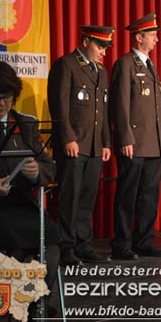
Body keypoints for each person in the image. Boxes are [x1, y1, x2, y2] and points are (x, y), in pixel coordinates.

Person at [0, 61, 60, 290]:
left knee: (51, 238)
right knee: (14, 238)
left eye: (8, 97)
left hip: (20, 205)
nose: (2, 104)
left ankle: (35, 300)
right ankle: (17, 298)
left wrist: (36, 173)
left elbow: (49, 168)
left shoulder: (26, 124)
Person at [47, 25, 114, 265]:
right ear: (85, 42)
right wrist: (67, 138)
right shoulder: (66, 65)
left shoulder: (102, 72)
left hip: (95, 145)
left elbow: (103, 110)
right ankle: (66, 247)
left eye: (105, 47)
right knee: (70, 198)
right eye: (100, 46)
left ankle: (84, 244)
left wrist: (106, 142)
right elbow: (60, 106)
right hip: (74, 144)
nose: (103, 52)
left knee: (87, 198)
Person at [109, 13, 161, 260]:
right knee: (128, 196)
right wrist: (125, 138)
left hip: (153, 143)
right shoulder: (125, 64)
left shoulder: (151, 65)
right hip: (134, 143)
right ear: (139, 37)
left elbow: (158, 107)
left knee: (149, 196)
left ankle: (144, 240)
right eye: (153, 35)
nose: (156, 39)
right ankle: (121, 244)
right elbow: (120, 104)